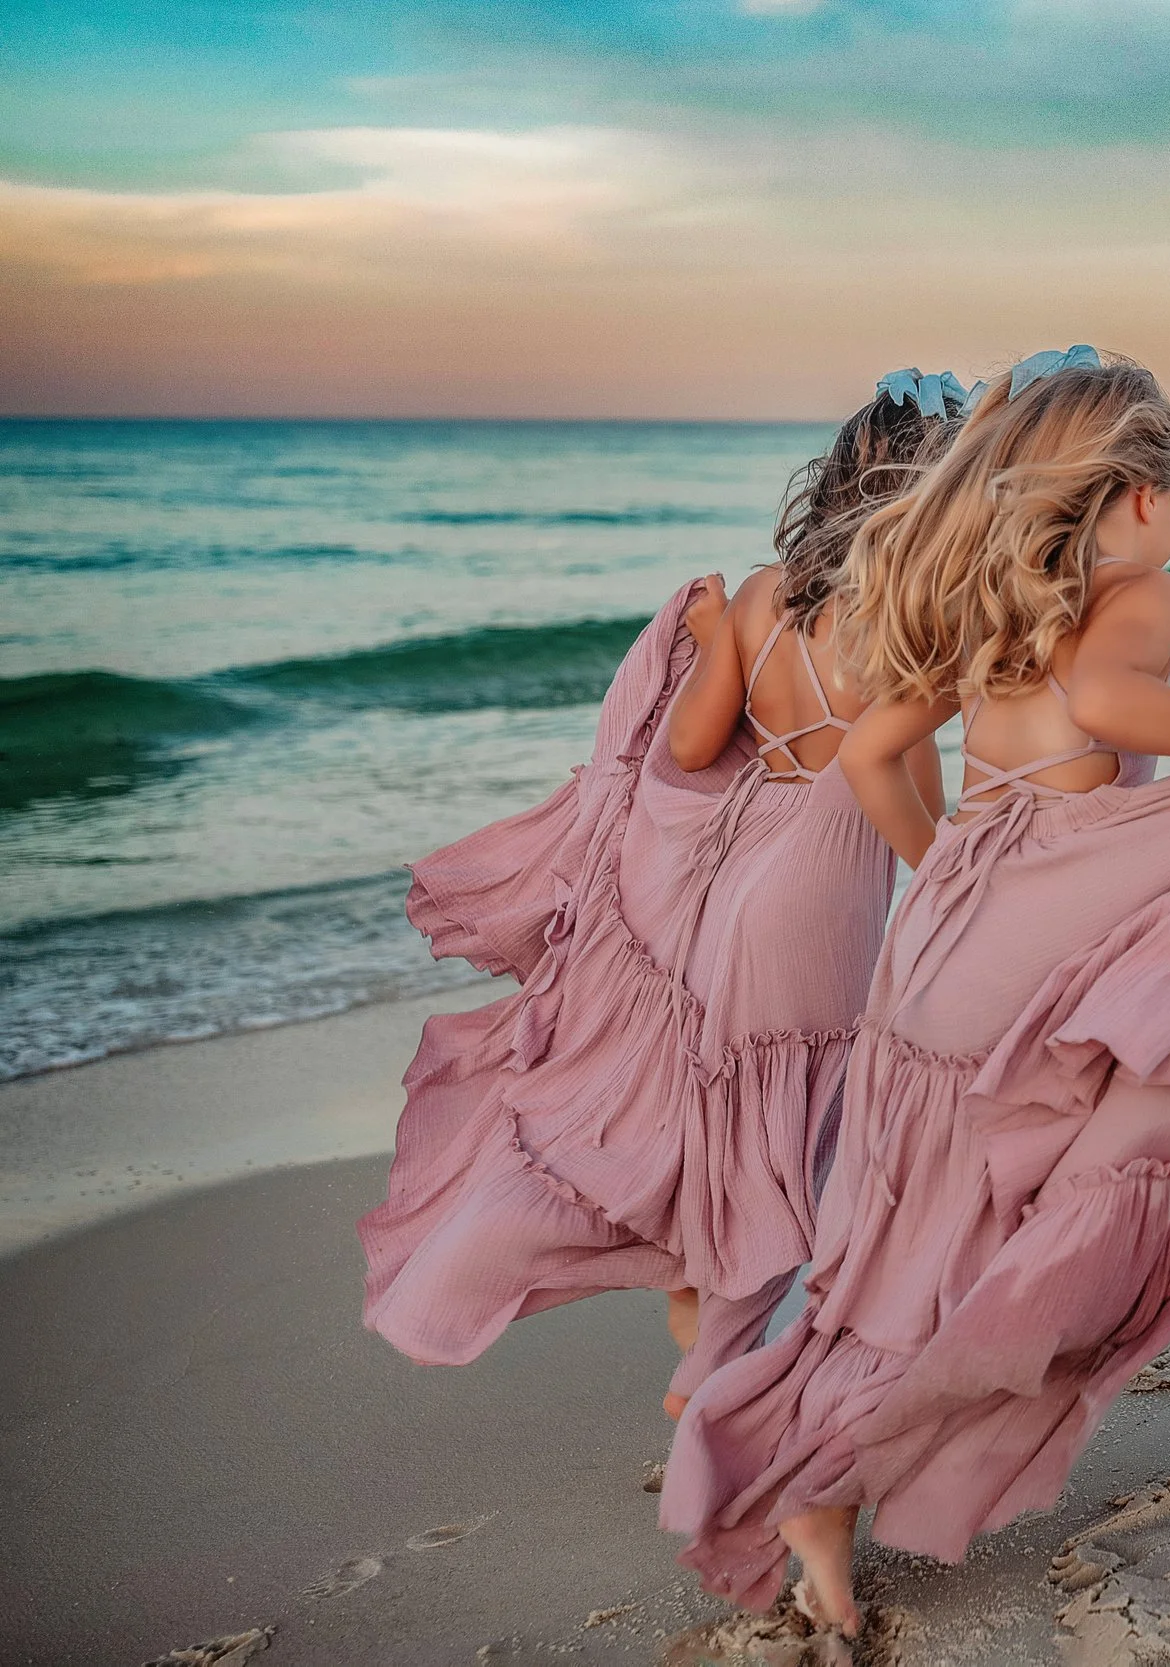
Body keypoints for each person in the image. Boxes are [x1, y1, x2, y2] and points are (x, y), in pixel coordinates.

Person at [660, 346, 1170, 1638]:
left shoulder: (980, 611)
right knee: (1055, 1195)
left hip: (933, 958)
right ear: (1134, 498)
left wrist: (948, 868)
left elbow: (871, 753)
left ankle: (808, 1488)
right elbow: (1106, 695)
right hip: (1030, 957)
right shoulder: (1145, 593)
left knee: (883, 1240)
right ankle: (878, 1446)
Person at [360, 369, 967, 1417]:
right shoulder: (917, 627)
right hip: (822, 887)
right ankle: (724, 1380)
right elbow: (916, 795)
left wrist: (702, 644)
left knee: (709, 1103)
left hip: (719, 880)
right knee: (791, 1115)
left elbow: (689, 742)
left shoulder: (763, 597)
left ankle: (699, 1346)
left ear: (837, 476)